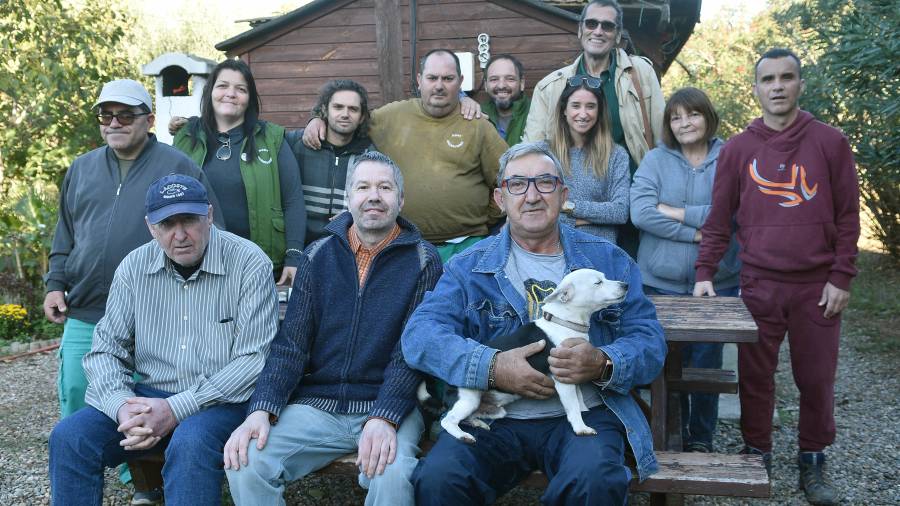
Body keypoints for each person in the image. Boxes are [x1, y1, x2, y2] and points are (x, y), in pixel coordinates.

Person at [401, 142, 666, 504]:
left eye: (544, 183)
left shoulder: (608, 260)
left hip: (580, 414)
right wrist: (491, 367)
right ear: (500, 198)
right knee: (439, 479)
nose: (532, 196)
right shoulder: (467, 267)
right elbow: (420, 336)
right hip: (495, 418)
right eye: (517, 184)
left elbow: (649, 343)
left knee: (596, 481)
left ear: (563, 194)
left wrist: (602, 361)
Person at [223, 151, 442, 506]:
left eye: (385, 187)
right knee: (246, 461)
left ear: (401, 199)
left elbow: (412, 352)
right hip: (319, 406)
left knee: (394, 476)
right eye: (363, 186)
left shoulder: (423, 260)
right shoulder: (317, 254)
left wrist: (385, 416)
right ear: (348, 198)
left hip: (388, 404)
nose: (374, 195)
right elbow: (291, 345)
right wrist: (262, 407)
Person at [49, 174, 278, 505]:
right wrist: (122, 407)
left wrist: (175, 408)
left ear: (209, 215)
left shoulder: (248, 262)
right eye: (167, 224)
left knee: (190, 440)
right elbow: (105, 351)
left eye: (190, 220)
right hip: (149, 396)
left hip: (224, 399)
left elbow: (254, 360)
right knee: (69, 438)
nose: (180, 234)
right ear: (150, 226)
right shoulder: (134, 268)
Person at [694, 48, 860, 506]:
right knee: (755, 376)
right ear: (756, 88)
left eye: (787, 77)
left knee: (816, 378)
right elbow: (719, 216)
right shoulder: (740, 149)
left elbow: (848, 216)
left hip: (817, 287)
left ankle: (812, 460)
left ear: (800, 84)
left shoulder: (830, 142)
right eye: (768, 79)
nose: (778, 86)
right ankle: (757, 453)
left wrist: (842, 276)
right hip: (760, 284)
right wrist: (705, 270)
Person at [43, 78, 220, 419]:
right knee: (78, 388)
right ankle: (85, 460)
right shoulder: (82, 167)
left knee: (141, 396)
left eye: (125, 115)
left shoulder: (178, 166)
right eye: (106, 115)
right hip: (86, 307)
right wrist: (54, 285)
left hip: (153, 309)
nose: (113, 123)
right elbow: (65, 231)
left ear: (149, 120)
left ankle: (134, 470)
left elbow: (209, 231)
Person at [303, 49, 508, 261]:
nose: (439, 85)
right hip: (402, 244)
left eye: (448, 79)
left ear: (460, 81)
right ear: (419, 80)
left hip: (466, 245)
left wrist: (489, 215)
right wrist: (318, 118)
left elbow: (508, 177)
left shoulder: (477, 125)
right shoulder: (392, 116)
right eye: (432, 78)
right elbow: (351, 119)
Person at [631, 87, 740, 453]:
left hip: (717, 282)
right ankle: (664, 435)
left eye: (691, 114)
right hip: (657, 283)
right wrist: (701, 231)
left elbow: (739, 214)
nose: (684, 123)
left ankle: (700, 440)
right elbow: (642, 213)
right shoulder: (655, 160)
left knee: (705, 366)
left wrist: (676, 212)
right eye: (675, 117)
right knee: (661, 365)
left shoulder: (731, 158)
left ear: (707, 116)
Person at [523, 0, 664, 257]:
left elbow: (662, 137)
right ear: (580, 30)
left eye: (607, 26)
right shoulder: (551, 86)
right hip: (571, 211)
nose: (598, 31)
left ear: (617, 35)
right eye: (591, 23)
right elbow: (530, 156)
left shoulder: (640, 73)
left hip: (635, 201)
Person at [172, 58, 306, 286]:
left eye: (240, 89)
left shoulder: (272, 138)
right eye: (223, 86)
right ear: (210, 92)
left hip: (260, 265)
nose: (231, 93)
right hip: (199, 264)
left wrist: (294, 256)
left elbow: (293, 200)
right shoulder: (186, 137)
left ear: (250, 98)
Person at [285, 79, 373, 244]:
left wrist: (354, 216)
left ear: (362, 117)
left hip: (346, 246)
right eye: (338, 107)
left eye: (353, 109)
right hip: (298, 245)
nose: (345, 114)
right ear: (325, 110)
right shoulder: (295, 144)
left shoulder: (370, 156)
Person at [547, 78, 630, 243]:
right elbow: (542, 212)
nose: (583, 114)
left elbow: (620, 212)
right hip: (555, 249)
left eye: (590, 106)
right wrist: (594, 217)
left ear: (599, 111)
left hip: (600, 250)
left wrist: (567, 206)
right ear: (564, 109)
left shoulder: (616, 155)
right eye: (576, 106)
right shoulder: (546, 153)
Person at [482, 54, 530, 146]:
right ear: (485, 85)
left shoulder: (536, 113)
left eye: (510, 79)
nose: (501, 85)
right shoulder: (477, 114)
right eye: (494, 79)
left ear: (522, 83)